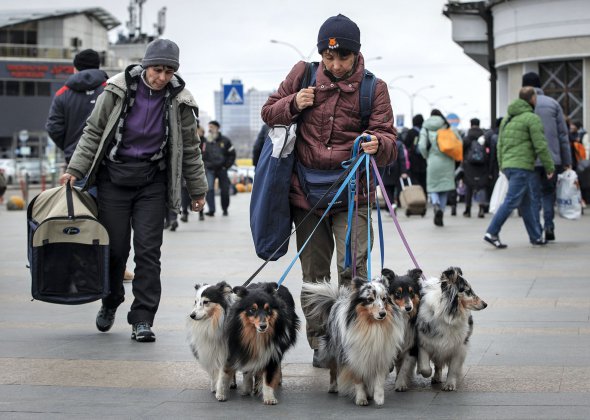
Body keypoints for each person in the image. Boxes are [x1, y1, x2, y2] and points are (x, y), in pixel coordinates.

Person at [261, 14, 397, 365]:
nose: (335, 65)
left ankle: (354, 341)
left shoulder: (374, 87)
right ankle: (321, 342)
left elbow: (390, 140)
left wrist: (377, 143)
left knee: (355, 273)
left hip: (354, 196)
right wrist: (294, 103)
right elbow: (268, 112)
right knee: (314, 278)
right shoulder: (302, 74)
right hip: (306, 195)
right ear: (320, 53)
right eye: (328, 57)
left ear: (357, 54)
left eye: (343, 57)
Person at [60, 38, 208, 342]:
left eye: (168, 72)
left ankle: (142, 319)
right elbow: (93, 131)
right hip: (113, 179)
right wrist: (75, 169)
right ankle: (111, 301)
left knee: (149, 253)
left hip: (152, 183)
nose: (161, 77)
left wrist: (198, 190)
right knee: (115, 250)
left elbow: (190, 149)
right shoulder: (116, 90)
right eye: (157, 69)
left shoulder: (180, 100)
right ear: (145, 65)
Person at [45, 49, 135, 282]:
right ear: (99, 65)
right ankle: (115, 268)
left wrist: (69, 148)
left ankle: (82, 268)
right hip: (110, 163)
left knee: (78, 216)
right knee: (114, 217)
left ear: (75, 68)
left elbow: (53, 126)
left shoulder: (63, 93)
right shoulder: (111, 87)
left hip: (77, 166)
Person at [484, 87, 554, 249]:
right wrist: (549, 166)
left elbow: (500, 144)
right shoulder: (531, 118)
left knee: (526, 202)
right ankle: (491, 232)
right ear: (532, 99)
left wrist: (502, 165)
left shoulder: (508, 118)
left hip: (509, 165)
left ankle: (536, 236)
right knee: (511, 200)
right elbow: (541, 145)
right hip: (522, 166)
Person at [521, 72, 571, 241]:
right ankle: (549, 226)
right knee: (548, 193)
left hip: (530, 160)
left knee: (534, 195)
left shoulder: (520, 106)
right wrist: (567, 161)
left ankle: (537, 231)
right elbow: (563, 135)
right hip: (552, 159)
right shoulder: (553, 104)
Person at [418, 109, 460, 226]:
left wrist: (427, 156)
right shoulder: (447, 126)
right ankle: (441, 210)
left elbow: (421, 145)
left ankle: (435, 203)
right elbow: (458, 142)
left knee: (433, 187)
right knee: (444, 189)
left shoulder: (425, 128)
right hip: (448, 161)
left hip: (433, 161)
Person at [202, 120, 236, 216]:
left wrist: (226, 166)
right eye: (209, 127)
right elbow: (201, 154)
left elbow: (232, 154)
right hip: (209, 169)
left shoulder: (225, 141)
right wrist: (205, 165)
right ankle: (211, 210)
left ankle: (225, 209)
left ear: (217, 128)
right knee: (209, 189)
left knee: (224, 190)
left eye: (212, 127)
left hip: (222, 169)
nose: (210, 129)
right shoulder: (205, 141)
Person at [462, 118, 491, 218]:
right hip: (482, 165)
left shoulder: (467, 137)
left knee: (469, 186)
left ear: (471, 124)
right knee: (481, 186)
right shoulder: (484, 137)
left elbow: (462, 150)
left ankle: (468, 209)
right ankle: (481, 208)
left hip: (469, 165)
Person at [403, 114, 427, 192]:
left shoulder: (411, 132)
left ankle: (417, 196)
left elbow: (406, 143)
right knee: (423, 179)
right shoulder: (425, 132)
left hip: (413, 161)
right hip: (424, 159)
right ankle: (424, 197)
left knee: (415, 179)